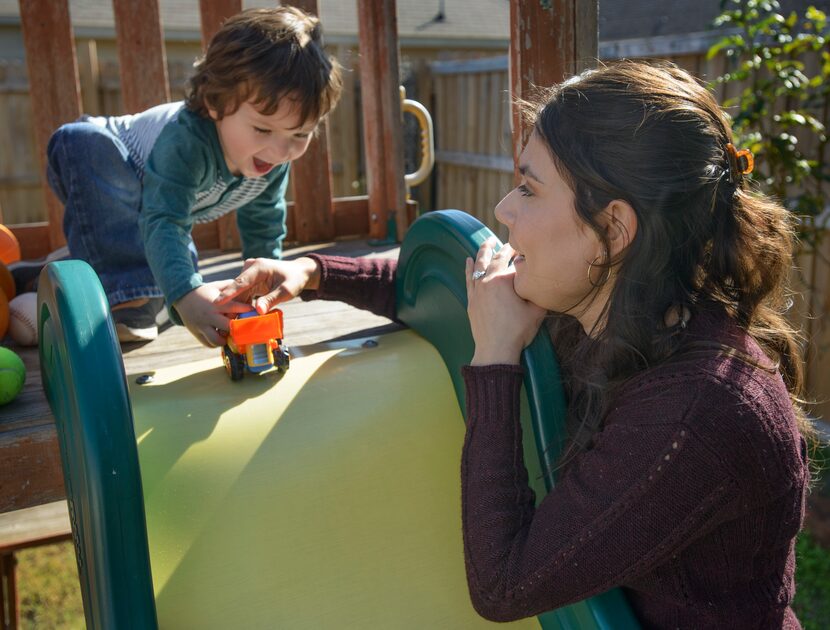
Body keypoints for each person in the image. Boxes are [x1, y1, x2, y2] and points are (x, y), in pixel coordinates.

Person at [214, 60, 811, 628]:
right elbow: (452, 290)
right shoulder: (604, 299)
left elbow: (504, 584)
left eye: (528, 190)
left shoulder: (700, 410)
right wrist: (312, 273)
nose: (503, 209)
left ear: (614, 229)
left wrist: (495, 358)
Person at [43, 7, 342, 344]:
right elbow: (165, 220)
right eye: (262, 129)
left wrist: (263, 279)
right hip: (95, 170)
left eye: (300, 135)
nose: (281, 150)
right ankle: (126, 298)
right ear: (215, 103)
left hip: (148, 215)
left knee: (173, 263)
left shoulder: (271, 159)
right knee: (86, 143)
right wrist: (185, 295)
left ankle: (69, 268)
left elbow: (264, 221)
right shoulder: (188, 141)